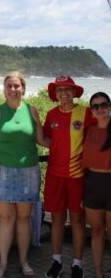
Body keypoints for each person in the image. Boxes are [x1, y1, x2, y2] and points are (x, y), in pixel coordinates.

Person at [0, 71, 48, 278]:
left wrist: (69, 146)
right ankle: (2, 264)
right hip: (2, 171)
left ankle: (23, 261)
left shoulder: (32, 111)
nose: (13, 89)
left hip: (29, 172)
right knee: (6, 218)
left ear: (23, 88)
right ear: (4, 89)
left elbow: (41, 140)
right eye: (9, 86)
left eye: (17, 86)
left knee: (24, 218)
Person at [43, 76, 94, 278]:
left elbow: (96, 139)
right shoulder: (51, 114)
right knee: (56, 220)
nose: (64, 93)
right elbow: (46, 138)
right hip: (55, 175)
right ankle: (56, 262)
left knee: (77, 221)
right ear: (55, 95)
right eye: (59, 90)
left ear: (74, 93)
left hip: (77, 176)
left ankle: (77, 264)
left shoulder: (86, 113)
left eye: (68, 89)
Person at [82, 92, 111, 278]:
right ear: (91, 111)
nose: (100, 109)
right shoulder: (89, 130)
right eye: (95, 106)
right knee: (97, 231)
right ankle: (99, 272)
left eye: (104, 105)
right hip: (92, 183)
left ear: (109, 106)